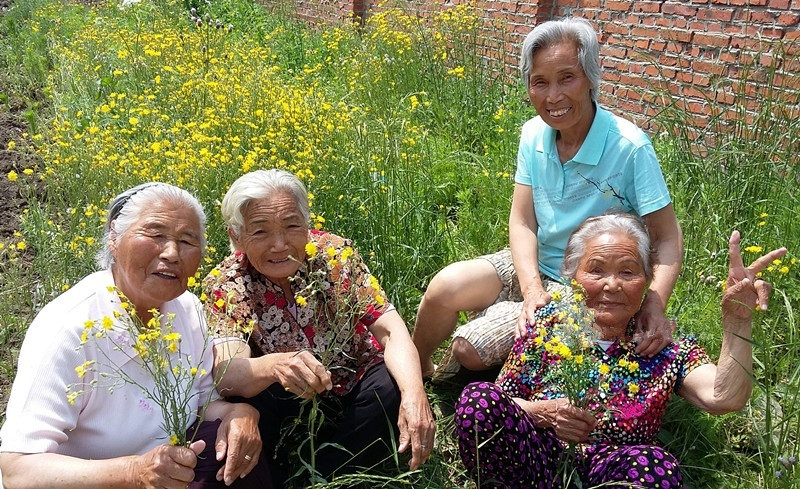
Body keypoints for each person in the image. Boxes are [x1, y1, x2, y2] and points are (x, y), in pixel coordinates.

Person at [412, 18, 683, 379]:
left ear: (590, 78)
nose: (553, 96)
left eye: (567, 78)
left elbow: (667, 236)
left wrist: (654, 302)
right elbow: (523, 221)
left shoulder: (629, 147)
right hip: (534, 264)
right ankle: (416, 371)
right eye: (540, 82)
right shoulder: (533, 134)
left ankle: (508, 345)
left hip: (585, 287)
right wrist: (531, 289)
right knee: (444, 287)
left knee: (469, 348)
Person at [455, 211, 786, 487]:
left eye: (627, 272)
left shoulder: (663, 344)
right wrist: (545, 413)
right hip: (536, 461)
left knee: (656, 465)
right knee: (477, 399)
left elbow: (724, 397)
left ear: (647, 280)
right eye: (596, 270)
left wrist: (737, 321)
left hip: (615, 469)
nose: (612, 285)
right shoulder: (546, 326)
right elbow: (504, 403)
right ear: (572, 275)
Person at [0, 182, 271, 489]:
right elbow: (18, 470)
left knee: (236, 454)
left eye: (187, 240)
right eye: (155, 235)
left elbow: (199, 401)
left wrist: (237, 412)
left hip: (163, 474)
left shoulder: (186, 309)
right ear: (114, 237)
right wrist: (134, 472)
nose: (172, 253)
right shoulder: (70, 327)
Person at [203, 169, 435, 486]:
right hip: (288, 396)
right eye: (260, 232)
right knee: (245, 404)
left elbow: (391, 330)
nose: (279, 244)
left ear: (306, 222)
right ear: (236, 236)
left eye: (292, 226)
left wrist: (414, 395)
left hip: (353, 378)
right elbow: (228, 372)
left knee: (391, 389)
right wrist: (274, 365)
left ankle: (322, 478)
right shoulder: (228, 284)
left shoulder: (334, 255)